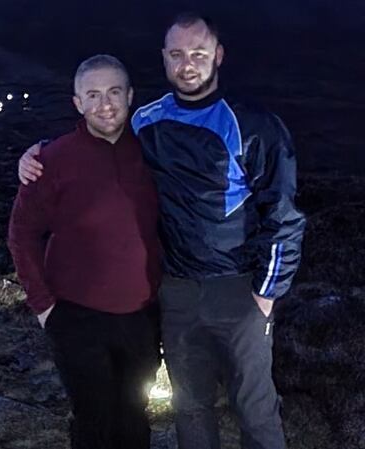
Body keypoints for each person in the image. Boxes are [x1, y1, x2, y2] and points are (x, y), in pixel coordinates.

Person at [18, 13, 306, 449]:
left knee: (256, 406)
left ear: (218, 56)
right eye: (176, 54)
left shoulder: (255, 126)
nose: (186, 64)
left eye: (197, 53)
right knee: (189, 405)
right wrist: (36, 154)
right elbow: (97, 136)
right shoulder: (146, 122)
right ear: (165, 59)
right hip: (174, 292)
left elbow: (284, 215)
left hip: (237, 289)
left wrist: (265, 295)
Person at [7, 54, 160, 449]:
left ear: (130, 96)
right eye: (92, 94)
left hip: (143, 317)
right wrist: (43, 307)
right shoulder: (51, 160)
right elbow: (21, 235)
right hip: (76, 317)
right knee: (93, 421)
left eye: (113, 92)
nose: (105, 104)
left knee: (134, 418)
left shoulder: (155, 152)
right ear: (77, 102)